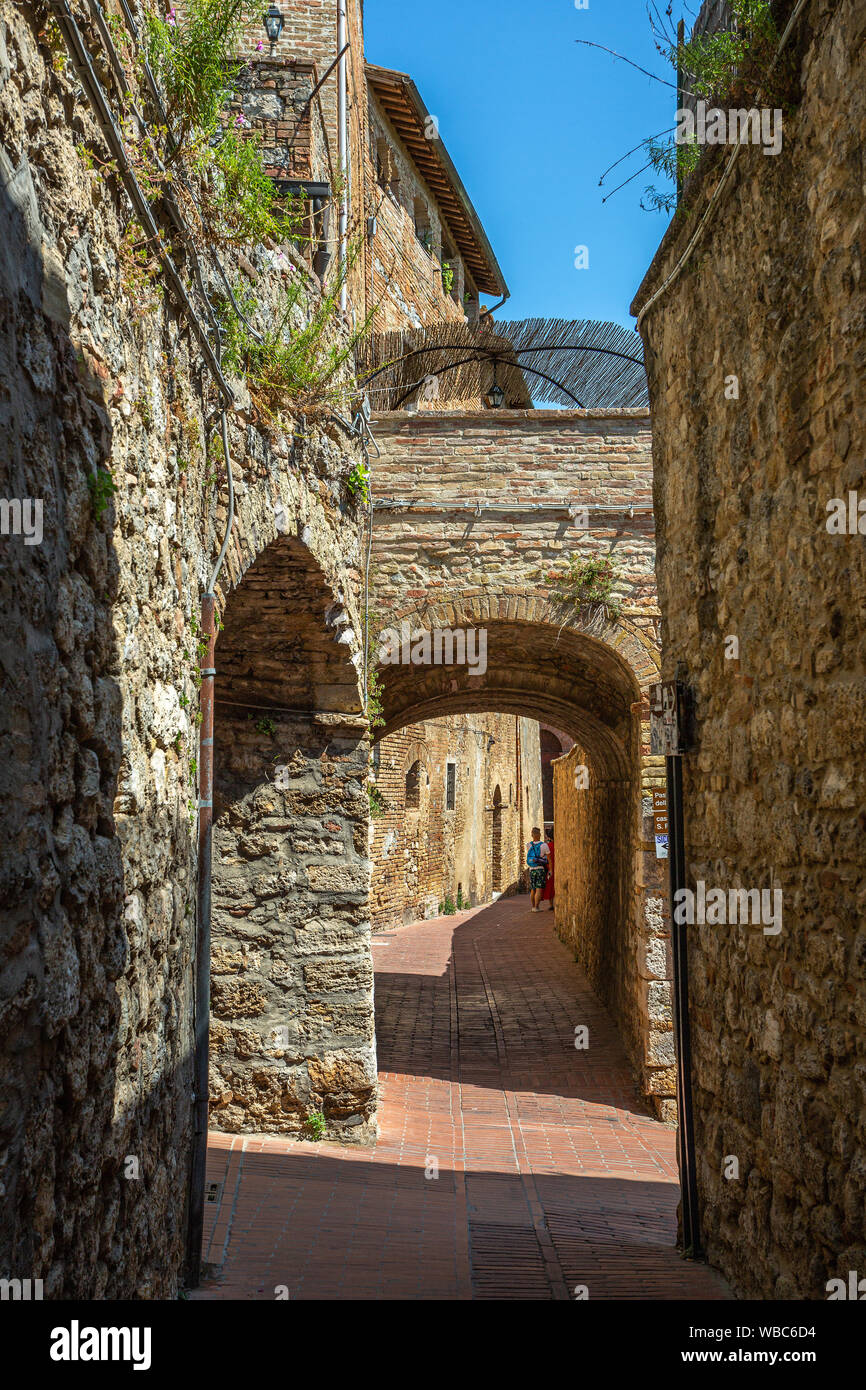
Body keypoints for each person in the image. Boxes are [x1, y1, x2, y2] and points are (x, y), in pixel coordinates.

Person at [526, 827, 550, 911]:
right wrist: (550, 869)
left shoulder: (528, 845)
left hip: (531, 869)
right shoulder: (544, 845)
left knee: (533, 888)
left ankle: (533, 907)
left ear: (532, 835)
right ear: (539, 834)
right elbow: (548, 859)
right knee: (539, 888)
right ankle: (536, 907)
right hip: (540, 869)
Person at [541, 829, 555, 910]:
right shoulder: (559, 845)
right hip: (556, 867)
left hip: (550, 868)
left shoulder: (548, 846)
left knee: (550, 885)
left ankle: (551, 904)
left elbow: (543, 857)